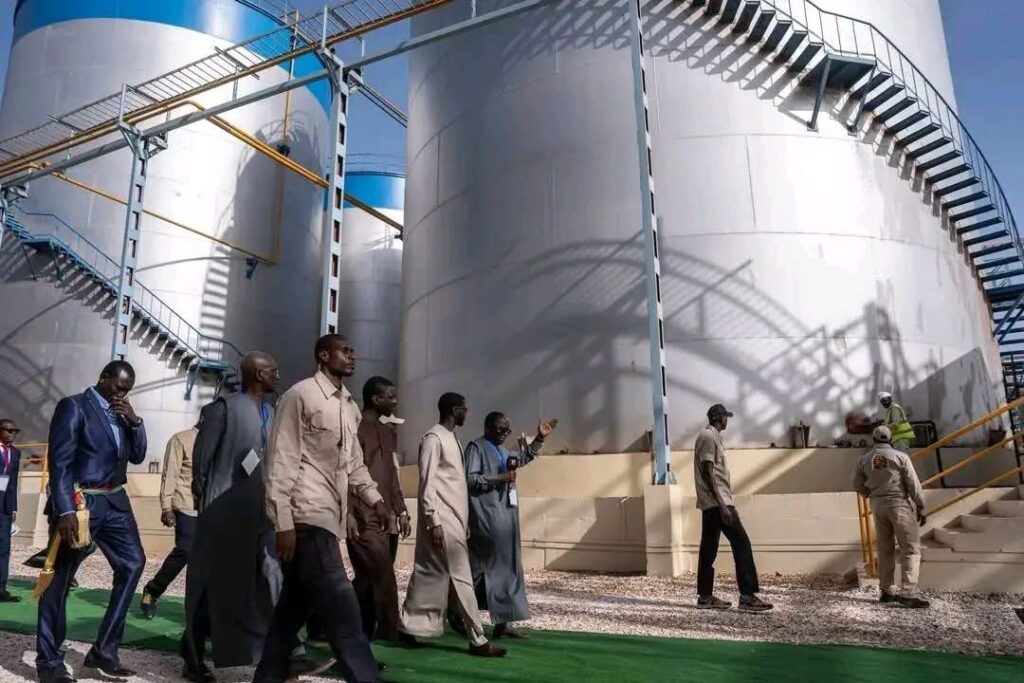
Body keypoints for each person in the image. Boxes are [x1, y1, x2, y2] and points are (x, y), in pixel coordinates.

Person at [181, 352, 328, 683]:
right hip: (222, 513)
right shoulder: (222, 409)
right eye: (272, 371)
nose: (278, 376)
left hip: (261, 513)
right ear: (257, 374)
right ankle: (192, 656)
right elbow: (202, 463)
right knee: (210, 586)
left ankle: (291, 653)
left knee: (272, 576)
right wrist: (206, 507)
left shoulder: (273, 413)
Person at [254, 334, 389, 683]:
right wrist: (283, 521)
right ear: (324, 356)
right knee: (345, 615)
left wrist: (375, 499)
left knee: (290, 612)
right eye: (345, 351)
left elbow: (353, 463)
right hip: (306, 516)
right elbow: (281, 460)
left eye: (353, 351)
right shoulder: (299, 396)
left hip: (330, 517)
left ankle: (267, 677)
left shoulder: (349, 406)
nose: (352, 356)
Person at [37, 361, 148, 683]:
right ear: (103, 378)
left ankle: (104, 651)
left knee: (133, 563)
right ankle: (49, 663)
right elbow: (60, 462)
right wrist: (65, 510)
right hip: (81, 503)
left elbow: (138, 455)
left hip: (115, 502)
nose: (122, 394)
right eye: (119, 387)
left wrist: (135, 421)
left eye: (127, 390)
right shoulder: (74, 407)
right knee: (59, 580)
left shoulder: (123, 413)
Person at [399, 393, 507, 657]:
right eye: (464, 409)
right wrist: (433, 520)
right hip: (441, 520)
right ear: (454, 410)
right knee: (462, 578)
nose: (466, 413)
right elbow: (427, 483)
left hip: (453, 520)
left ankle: (407, 627)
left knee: (428, 573)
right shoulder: (433, 438)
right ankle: (477, 638)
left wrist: (464, 520)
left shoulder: (452, 439)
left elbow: (454, 485)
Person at [464, 413, 556, 639]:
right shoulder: (476, 448)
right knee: (484, 569)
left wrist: (540, 439)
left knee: (508, 569)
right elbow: (469, 479)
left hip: (507, 519)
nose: (505, 433)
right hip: (487, 518)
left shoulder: (503, 450)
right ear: (487, 428)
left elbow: (521, 458)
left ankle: (504, 622)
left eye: (507, 430)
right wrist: (499, 478)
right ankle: (458, 610)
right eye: (500, 429)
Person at [345, 376, 411, 642]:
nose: (395, 402)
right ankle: (390, 629)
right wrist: (349, 512)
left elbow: (391, 477)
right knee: (381, 572)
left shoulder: (387, 431)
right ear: (375, 398)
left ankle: (355, 634)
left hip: (387, 516)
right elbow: (347, 473)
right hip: (363, 515)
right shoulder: (354, 429)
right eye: (390, 397)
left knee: (368, 578)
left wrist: (401, 510)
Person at [693, 404, 773, 613]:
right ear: (717, 417)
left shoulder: (711, 437)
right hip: (718, 502)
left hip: (710, 503)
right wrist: (723, 506)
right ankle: (747, 597)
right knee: (742, 543)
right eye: (725, 416)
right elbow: (708, 473)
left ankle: (705, 597)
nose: (727, 420)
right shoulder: (708, 437)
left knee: (708, 550)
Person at [853, 425, 929, 608]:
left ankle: (887, 591)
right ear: (891, 439)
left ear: (873, 439)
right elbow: (913, 484)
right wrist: (921, 506)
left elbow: (856, 484)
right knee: (910, 549)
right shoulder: (901, 457)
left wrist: (870, 494)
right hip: (899, 505)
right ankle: (908, 592)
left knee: (885, 549)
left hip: (878, 506)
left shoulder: (864, 460)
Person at [140, 421, 200, 618]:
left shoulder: (220, 440)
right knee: (185, 550)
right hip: (185, 503)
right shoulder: (181, 440)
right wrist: (166, 507)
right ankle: (153, 590)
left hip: (211, 506)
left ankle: (199, 610)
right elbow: (170, 473)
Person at [0, 418, 23, 603]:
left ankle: (1, 589)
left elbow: (13, 481)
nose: (13, 434)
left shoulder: (15, 453)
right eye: (9, 430)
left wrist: (13, 506)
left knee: (4, 548)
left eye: (15, 431)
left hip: (4, 507)